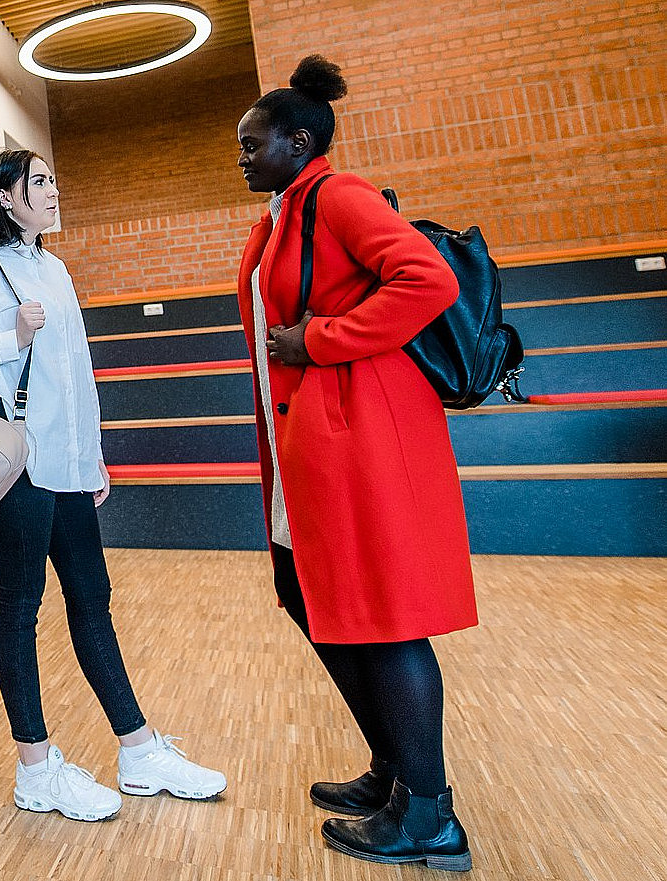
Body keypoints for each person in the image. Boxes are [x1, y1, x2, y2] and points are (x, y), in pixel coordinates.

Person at [0, 148, 226, 821]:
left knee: (93, 599)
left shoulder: (54, 268)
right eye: (39, 182)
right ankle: (35, 767)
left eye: (53, 179)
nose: (53, 190)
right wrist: (9, 333)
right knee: (20, 606)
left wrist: (94, 458)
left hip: (68, 465)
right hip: (17, 466)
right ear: (5, 196)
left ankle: (138, 750)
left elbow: (76, 376)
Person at [235, 56, 477, 871]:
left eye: (253, 144)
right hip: (305, 448)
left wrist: (320, 339)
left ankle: (431, 817)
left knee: (384, 615)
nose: (241, 157)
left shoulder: (339, 196)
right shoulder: (281, 214)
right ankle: (397, 771)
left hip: (361, 441)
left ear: (299, 142)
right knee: (313, 598)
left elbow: (428, 279)